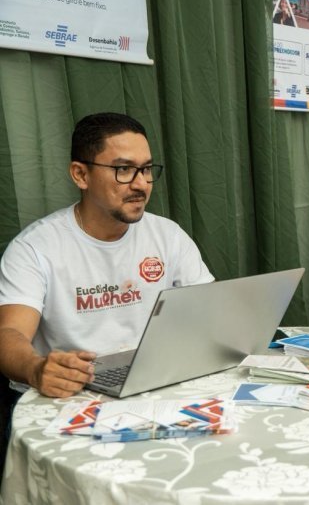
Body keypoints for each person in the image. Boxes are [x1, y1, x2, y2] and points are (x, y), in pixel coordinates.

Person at [0, 112, 214, 400]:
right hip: (70, 393)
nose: (141, 184)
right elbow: (10, 332)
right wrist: (35, 368)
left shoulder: (168, 235)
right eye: (124, 169)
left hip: (150, 381)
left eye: (146, 169)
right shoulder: (34, 247)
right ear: (81, 175)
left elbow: (210, 313)